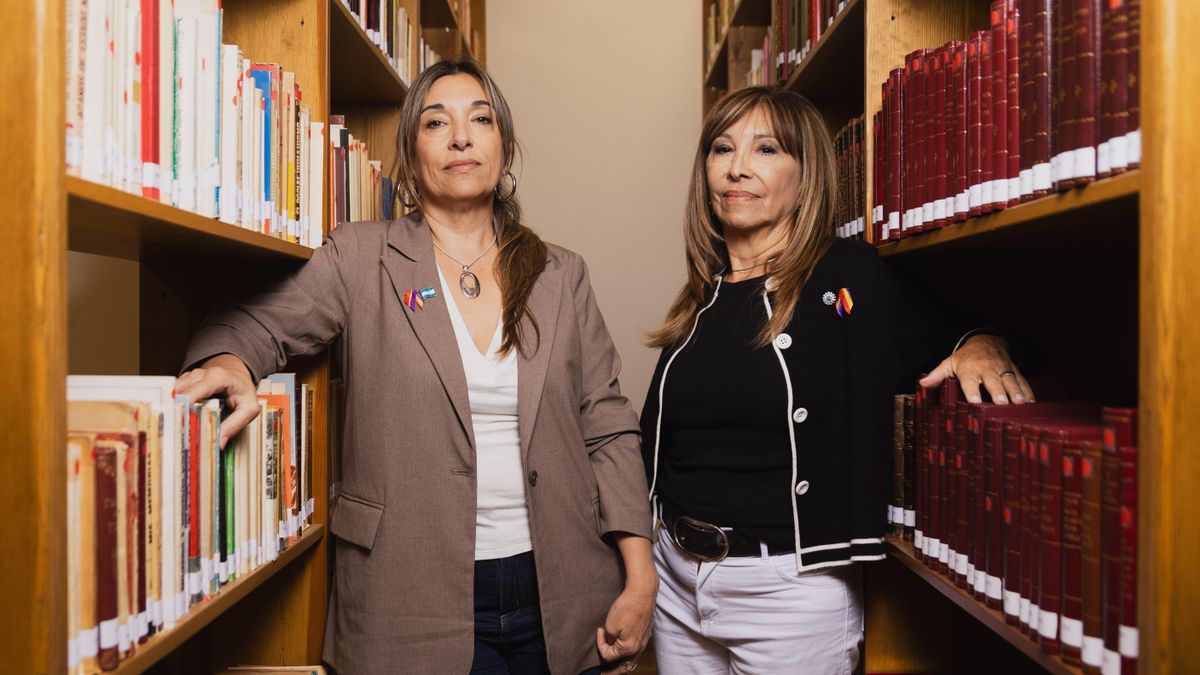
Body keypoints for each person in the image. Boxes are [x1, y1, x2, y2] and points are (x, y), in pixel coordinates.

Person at [176, 59, 656, 675]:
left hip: (563, 587)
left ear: (504, 150)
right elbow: (253, 324)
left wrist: (639, 580)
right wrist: (232, 362)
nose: (461, 136)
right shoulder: (360, 257)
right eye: (437, 122)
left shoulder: (562, 274)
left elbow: (609, 426)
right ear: (410, 153)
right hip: (408, 594)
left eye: (480, 119)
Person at [639, 87, 1034, 674]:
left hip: (789, 594)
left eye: (766, 149)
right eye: (722, 149)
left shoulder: (844, 279)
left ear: (807, 175)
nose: (737, 167)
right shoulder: (701, 295)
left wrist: (980, 343)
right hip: (676, 582)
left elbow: (947, 329)